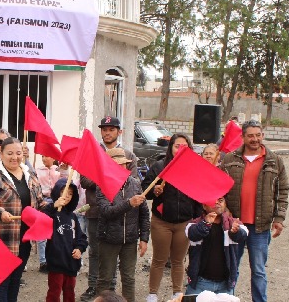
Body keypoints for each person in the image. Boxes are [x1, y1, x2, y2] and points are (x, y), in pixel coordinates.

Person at [220, 120, 289, 302]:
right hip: (235, 224)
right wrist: (225, 213)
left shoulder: (275, 160)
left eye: (258, 135)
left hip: (260, 226)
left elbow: (283, 191)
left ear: (262, 136)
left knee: (258, 270)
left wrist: (279, 217)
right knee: (231, 268)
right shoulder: (229, 159)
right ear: (242, 137)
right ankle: (227, 299)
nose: (255, 139)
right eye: (250, 135)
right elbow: (220, 189)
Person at [0, 137, 47, 301]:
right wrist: (0, 213)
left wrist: (53, 207)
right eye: (9, 153)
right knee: (1, 284)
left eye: (18, 153)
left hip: (24, 239)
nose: (14, 157)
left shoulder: (29, 174)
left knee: (16, 281)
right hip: (3, 240)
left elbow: (40, 201)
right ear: (1, 153)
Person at [80, 116, 139, 302]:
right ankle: (94, 288)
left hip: (121, 214)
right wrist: (107, 174)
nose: (107, 132)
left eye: (111, 129)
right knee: (96, 252)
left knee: (115, 256)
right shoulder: (93, 153)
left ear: (119, 132)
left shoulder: (129, 156)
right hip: (96, 210)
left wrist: (114, 174)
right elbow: (84, 181)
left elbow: (135, 182)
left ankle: (111, 293)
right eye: (104, 129)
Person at [143, 133, 202, 302]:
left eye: (185, 147)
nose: (180, 149)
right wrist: (155, 191)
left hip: (184, 222)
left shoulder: (193, 169)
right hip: (161, 221)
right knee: (159, 259)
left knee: (178, 261)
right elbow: (145, 189)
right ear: (171, 148)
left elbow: (198, 196)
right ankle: (152, 293)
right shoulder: (160, 166)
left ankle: (177, 293)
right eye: (177, 146)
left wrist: (195, 220)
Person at [96, 148, 150, 302]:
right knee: (105, 279)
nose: (121, 168)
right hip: (109, 239)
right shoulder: (103, 184)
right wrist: (129, 203)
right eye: (116, 165)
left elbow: (144, 213)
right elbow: (106, 211)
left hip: (130, 240)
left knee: (129, 278)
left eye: (123, 164)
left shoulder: (135, 183)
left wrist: (144, 238)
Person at [185, 196, 248, 295]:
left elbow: (243, 234)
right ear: (204, 206)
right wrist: (205, 224)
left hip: (225, 285)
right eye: (212, 200)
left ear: (225, 204)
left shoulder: (233, 223)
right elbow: (192, 234)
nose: (217, 203)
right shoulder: (195, 223)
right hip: (200, 282)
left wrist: (236, 231)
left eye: (220, 200)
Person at [44, 178, 88, 302]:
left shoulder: (72, 216)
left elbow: (82, 237)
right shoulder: (51, 213)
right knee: (54, 292)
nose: (67, 196)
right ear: (57, 192)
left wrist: (79, 249)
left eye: (70, 193)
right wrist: (54, 206)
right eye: (63, 192)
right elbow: (40, 218)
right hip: (56, 261)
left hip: (71, 262)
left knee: (70, 292)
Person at [35, 155, 61, 273]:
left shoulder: (59, 170)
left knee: (57, 231)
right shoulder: (37, 171)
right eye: (42, 156)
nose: (44, 158)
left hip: (57, 203)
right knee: (41, 232)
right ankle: (43, 261)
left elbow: (65, 184)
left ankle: (56, 260)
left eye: (47, 156)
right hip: (43, 202)